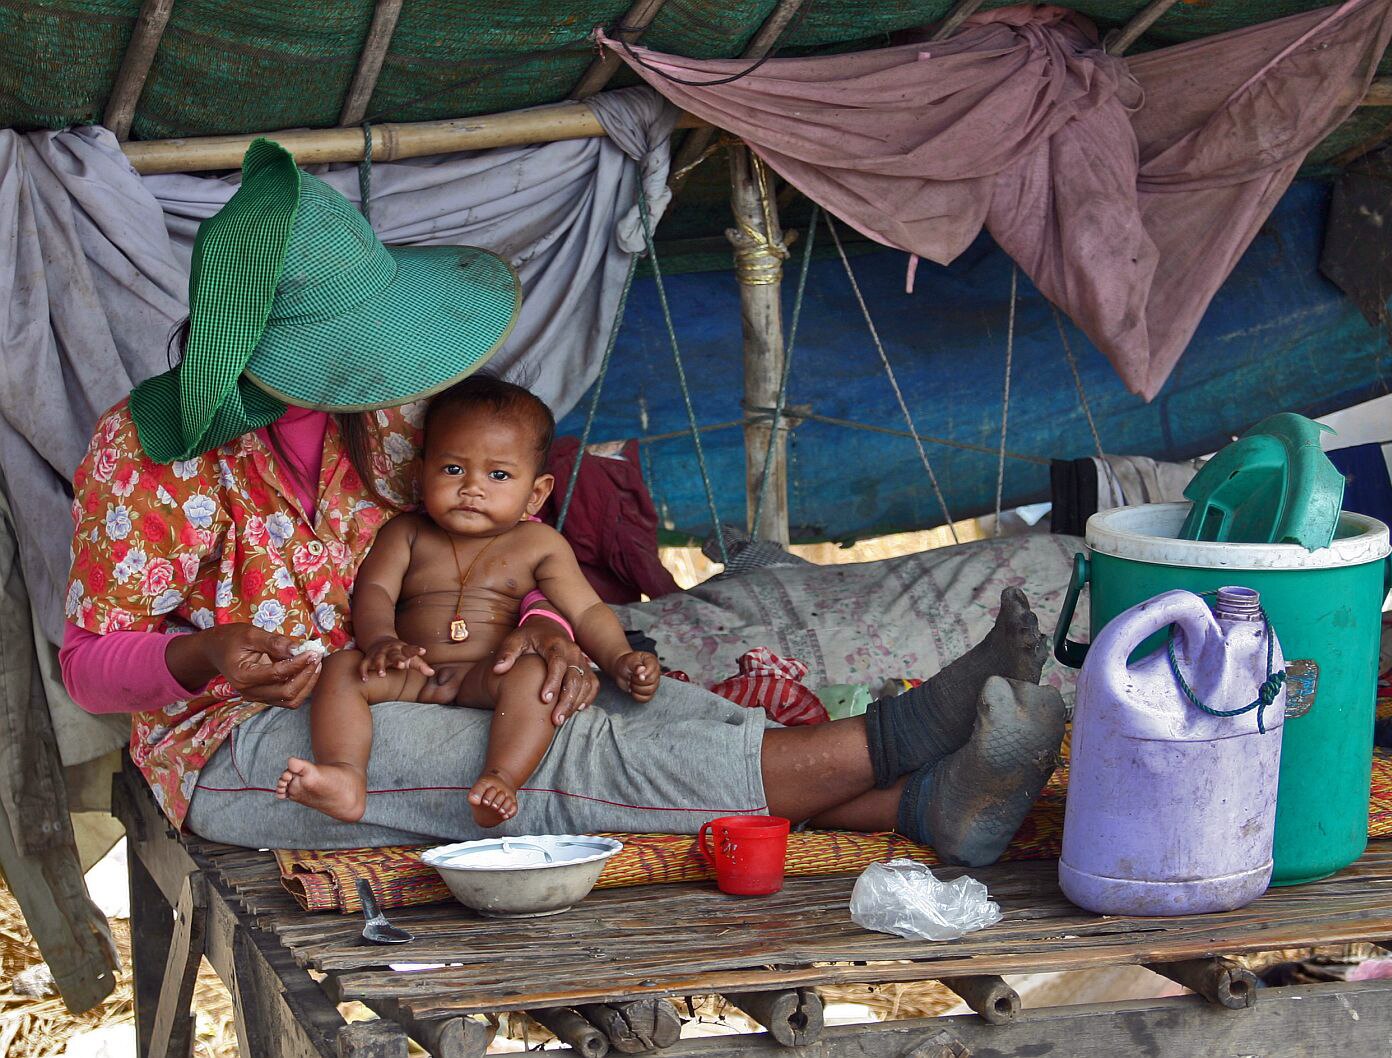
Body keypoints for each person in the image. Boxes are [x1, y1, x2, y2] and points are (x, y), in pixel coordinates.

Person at [60, 139, 1064, 868]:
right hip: (252, 739)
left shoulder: (387, 415)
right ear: (287, 355)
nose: (377, 369)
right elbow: (92, 665)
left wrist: (543, 629)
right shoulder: (144, 458)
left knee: (627, 694)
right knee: (535, 765)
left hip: (433, 666)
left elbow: (505, 543)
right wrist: (201, 653)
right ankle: (901, 738)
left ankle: (925, 803)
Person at [276, 376, 661, 826]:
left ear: (535, 493)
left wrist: (618, 659)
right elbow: (376, 591)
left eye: (498, 475)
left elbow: (587, 610)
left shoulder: (539, 544)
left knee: (536, 676)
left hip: (488, 674)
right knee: (342, 668)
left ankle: (501, 777)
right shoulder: (407, 533)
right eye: (453, 469)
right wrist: (382, 640)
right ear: (421, 474)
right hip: (416, 673)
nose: (472, 487)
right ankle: (344, 775)